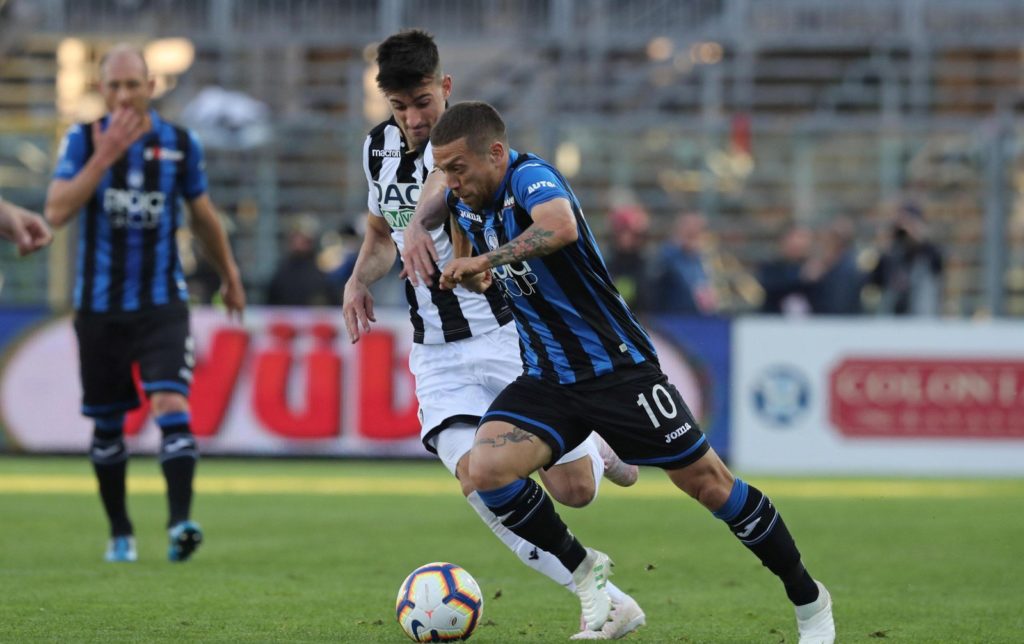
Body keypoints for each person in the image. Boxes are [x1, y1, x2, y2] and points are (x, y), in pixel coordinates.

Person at [403, 101, 836, 643]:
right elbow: (451, 229)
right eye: (442, 170)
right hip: (547, 379)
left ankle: (809, 599)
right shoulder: (465, 202)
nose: (450, 181)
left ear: (495, 153)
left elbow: (559, 227)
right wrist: (457, 263)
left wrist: (483, 262)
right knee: (485, 471)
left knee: (710, 485)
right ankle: (588, 574)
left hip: (618, 372)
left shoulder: (530, 177)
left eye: (457, 168)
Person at [342, 30, 644, 640]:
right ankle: (600, 593)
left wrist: (421, 224)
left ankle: (593, 442)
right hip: (436, 352)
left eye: (423, 102)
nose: (413, 119)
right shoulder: (377, 149)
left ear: (445, 88)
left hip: (507, 336)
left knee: (575, 492)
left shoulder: (467, 148)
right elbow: (379, 235)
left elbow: (435, 189)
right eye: (399, 107)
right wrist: (357, 279)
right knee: (477, 481)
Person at [45, 44, 245, 563]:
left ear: (150, 87)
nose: (123, 96)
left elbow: (202, 214)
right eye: (114, 86)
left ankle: (180, 524)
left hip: (162, 303)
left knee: (171, 403)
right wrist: (105, 156)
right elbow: (56, 211)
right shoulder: (82, 140)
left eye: (133, 85)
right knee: (108, 423)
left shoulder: (179, 143)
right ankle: (120, 532)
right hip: (99, 308)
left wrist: (229, 274)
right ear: (101, 89)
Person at [868, 202, 943, 316]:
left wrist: (919, 239)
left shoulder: (927, 251)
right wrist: (884, 249)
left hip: (921, 316)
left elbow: (937, 266)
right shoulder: (891, 252)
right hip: (892, 316)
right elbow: (875, 281)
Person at [649, 211, 719, 315]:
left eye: (697, 229)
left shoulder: (700, 260)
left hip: (697, 319)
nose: (693, 231)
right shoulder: (667, 256)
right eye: (689, 229)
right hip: (670, 318)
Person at [265, 214, 340, 306]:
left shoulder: (322, 269)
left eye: (302, 238)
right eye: (295, 237)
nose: (298, 242)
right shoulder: (282, 270)